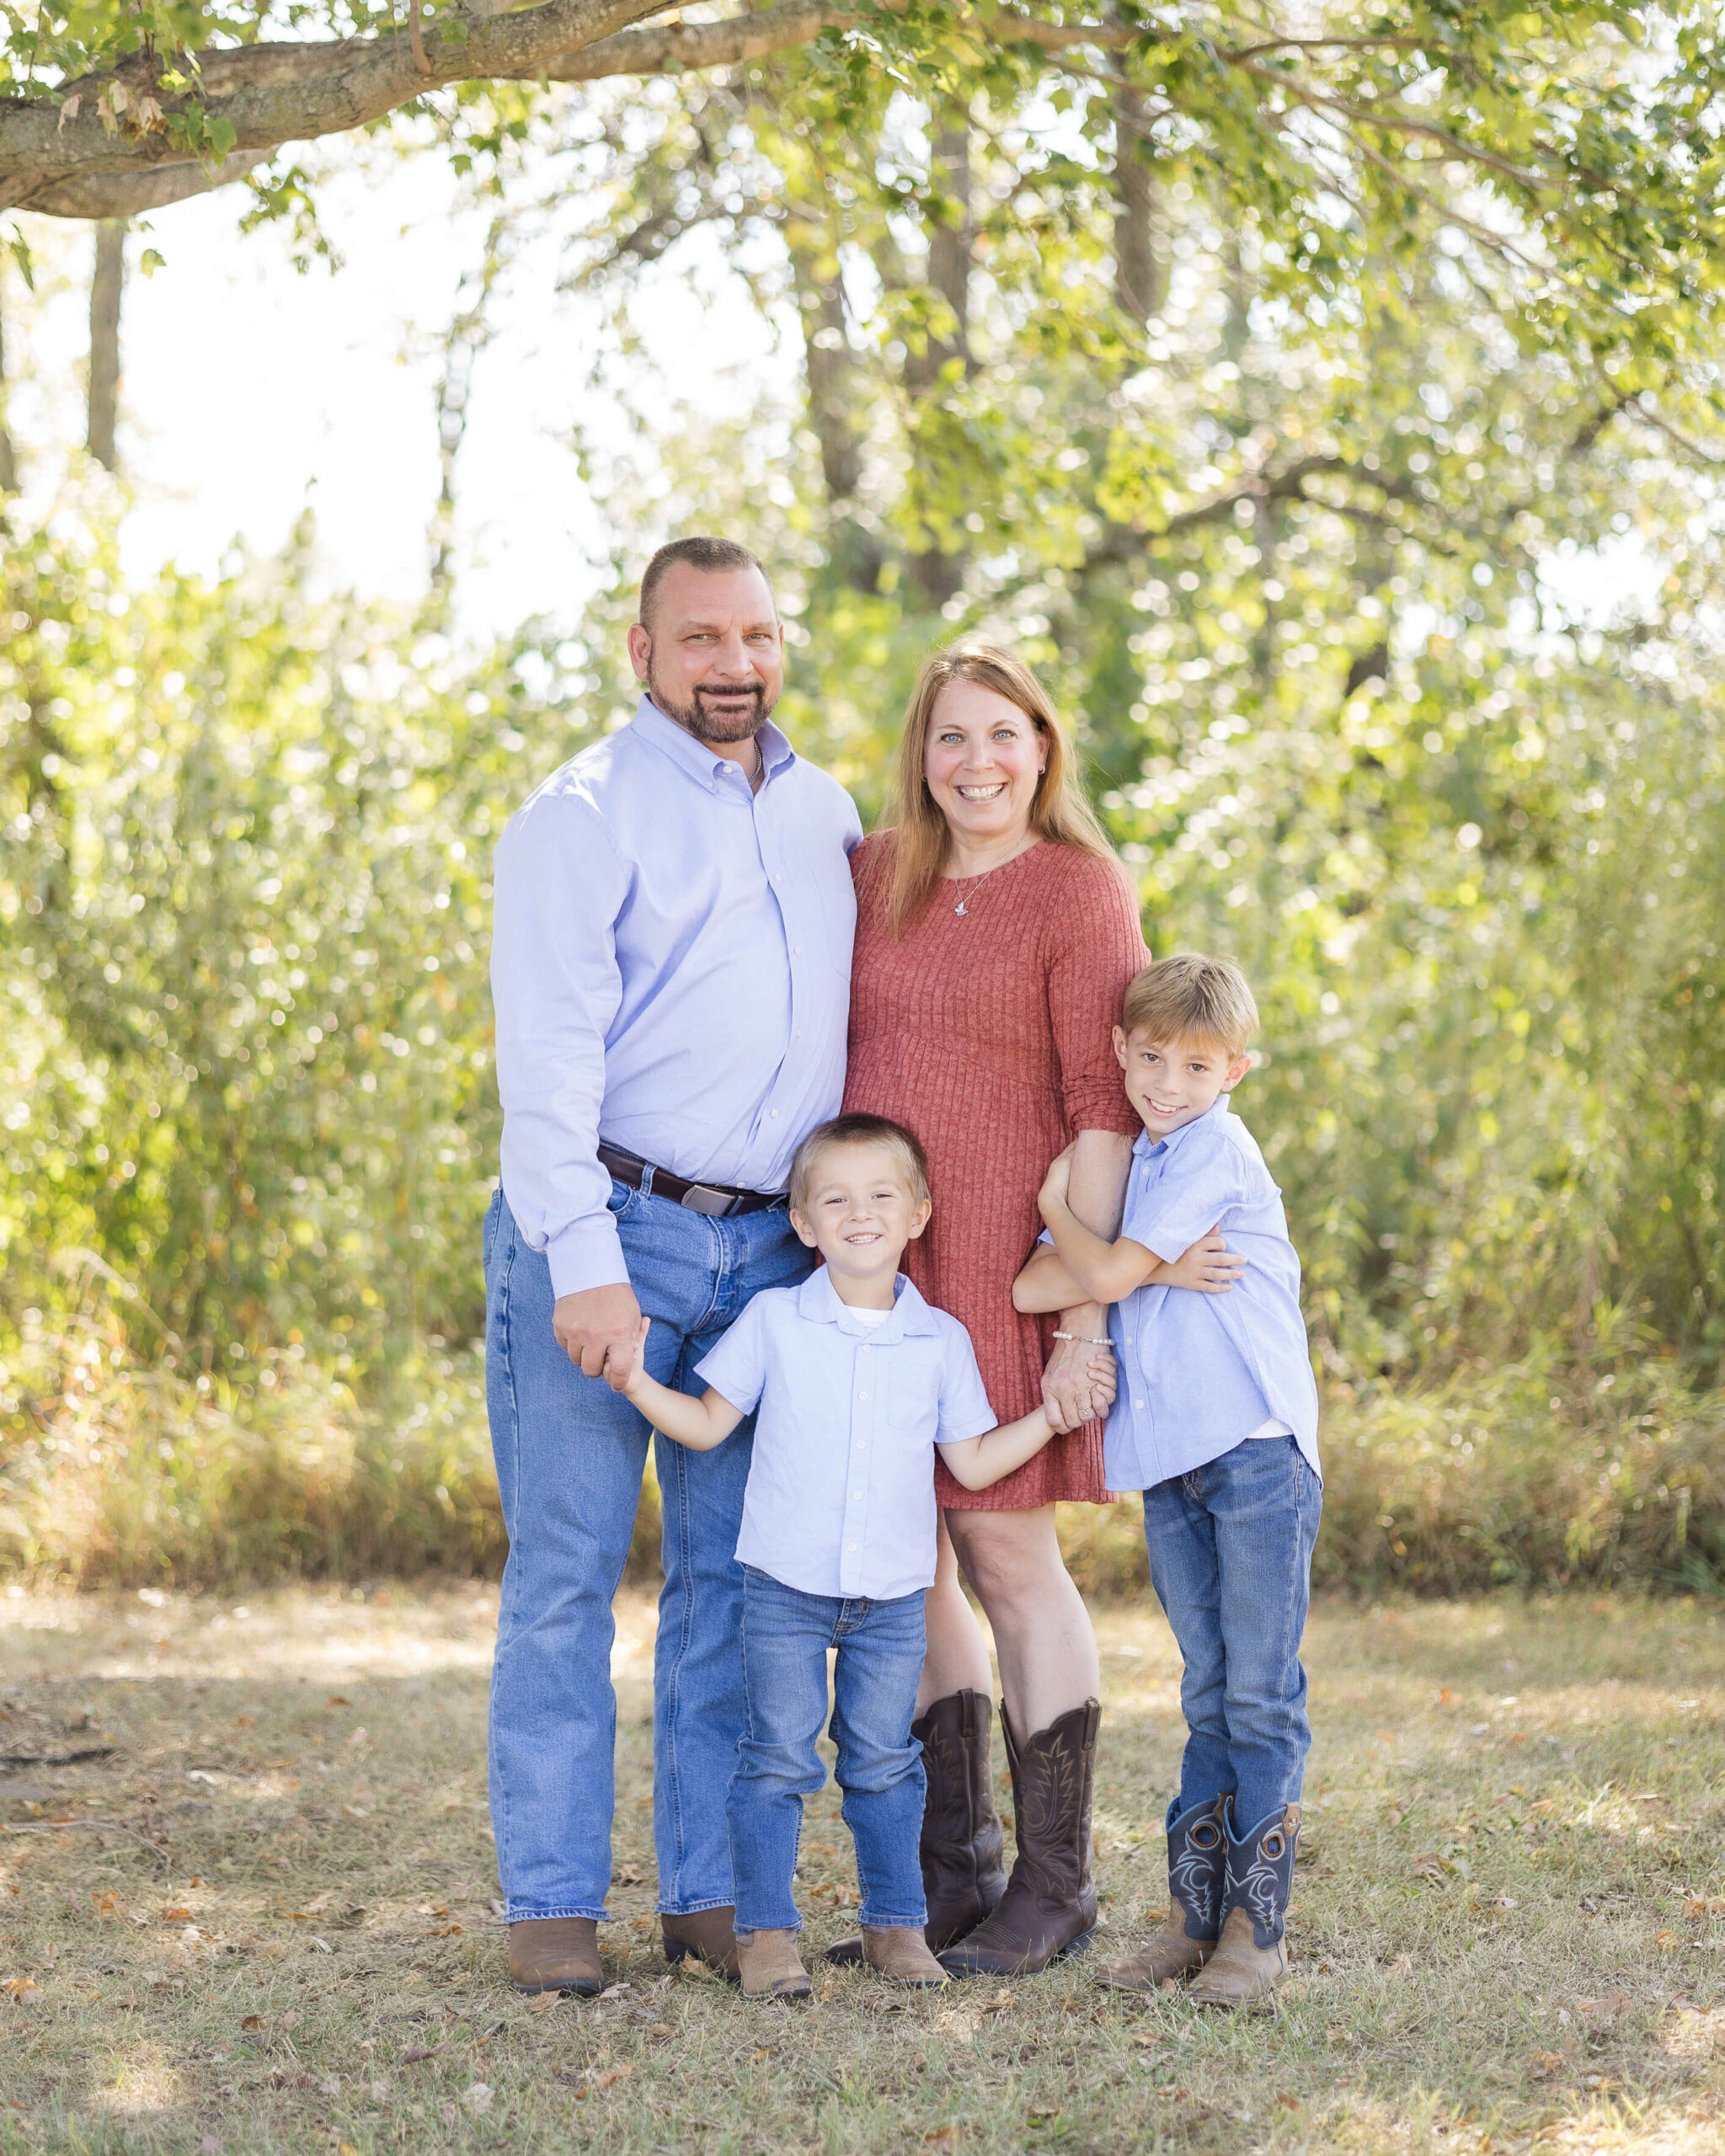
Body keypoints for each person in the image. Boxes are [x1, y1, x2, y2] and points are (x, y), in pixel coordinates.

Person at [484, 536, 862, 1995]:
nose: (734, 664)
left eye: (757, 635)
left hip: (772, 1245)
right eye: (701, 638)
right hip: (608, 1227)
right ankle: (553, 1905)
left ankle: (707, 1893)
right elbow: (546, 1072)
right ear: (640, 651)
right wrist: (585, 1266)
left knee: (728, 1584)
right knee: (569, 1576)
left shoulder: (825, 813)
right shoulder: (579, 818)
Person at [837, 643, 1233, 1980]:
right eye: (952, 738)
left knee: (1009, 1558)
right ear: (921, 752)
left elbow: (1102, 1110)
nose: (978, 764)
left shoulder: (1081, 889)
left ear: (1045, 750)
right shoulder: (870, 875)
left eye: (1003, 736)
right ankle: (960, 1877)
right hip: (880, 1270)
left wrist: (1081, 1317)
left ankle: (1057, 1889)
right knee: (911, 1557)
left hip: (1008, 1266)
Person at [619, 1114, 1062, 1998]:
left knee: (884, 1762)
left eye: (880, 1196)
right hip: (783, 1587)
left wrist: (1050, 1415)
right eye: (834, 1199)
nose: (858, 1213)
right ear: (803, 1223)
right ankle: (768, 1936)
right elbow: (708, 1425)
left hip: (892, 1595)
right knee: (777, 1758)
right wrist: (634, 1379)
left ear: (918, 1214)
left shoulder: (938, 1339)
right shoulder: (775, 1319)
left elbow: (969, 1459)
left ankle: (895, 1926)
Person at [1018, 952, 1322, 2007]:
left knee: (1258, 1687)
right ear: (1118, 1049)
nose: (1164, 1082)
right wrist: (1132, 1258)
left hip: (1253, 1450)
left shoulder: (1210, 1148)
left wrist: (1069, 1213)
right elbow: (1028, 1285)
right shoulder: (1138, 1166)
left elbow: (1085, 1273)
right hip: (1171, 1464)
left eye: (1195, 1065)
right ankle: (1194, 1918)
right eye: (1148, 1057)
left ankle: (1254, 1932)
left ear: (1237, 1068)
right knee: (1204, 1689)